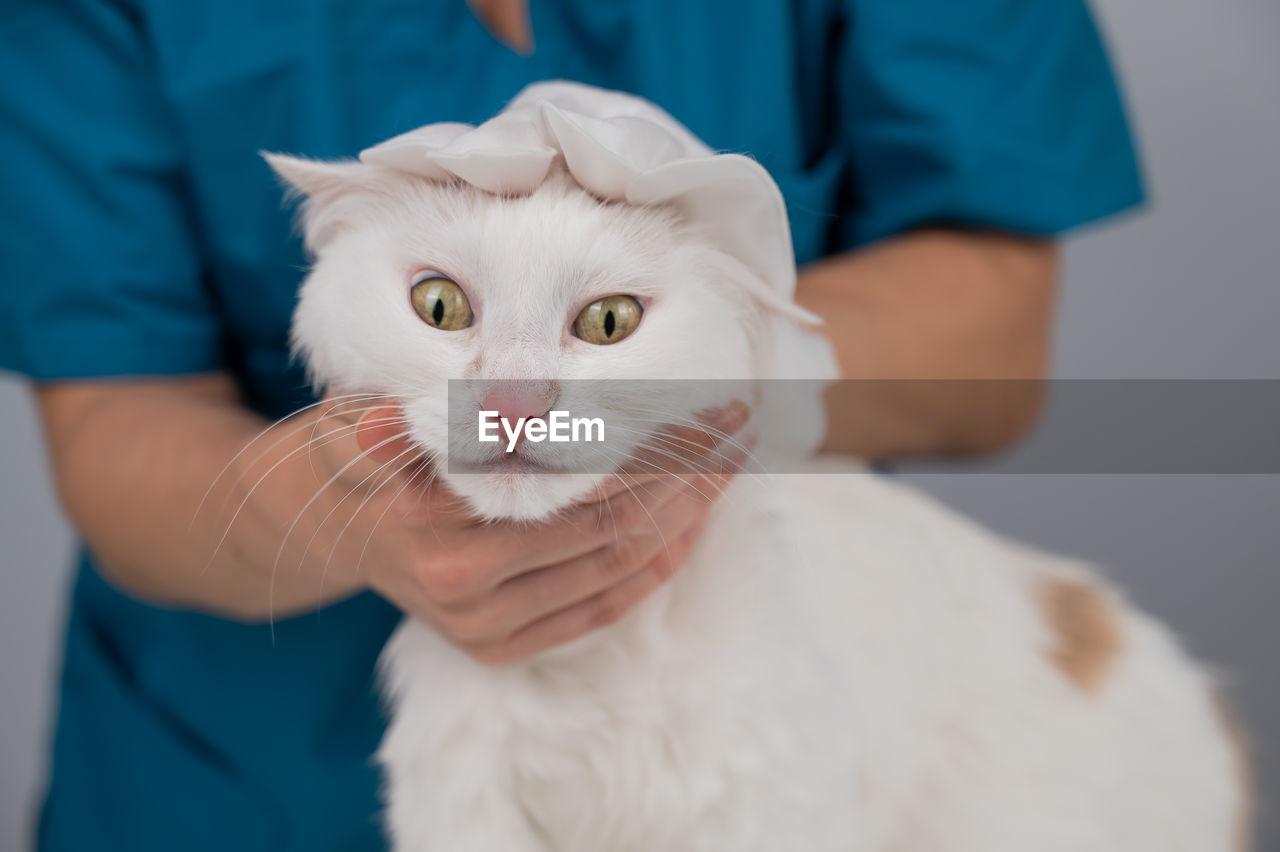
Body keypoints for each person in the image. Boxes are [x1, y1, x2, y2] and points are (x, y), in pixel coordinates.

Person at [0, 1, 1143, 849]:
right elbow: (112, 405)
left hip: (755, 741)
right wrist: (335, 509)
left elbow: (990, 340)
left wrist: (691, 391)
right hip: (227, 786)